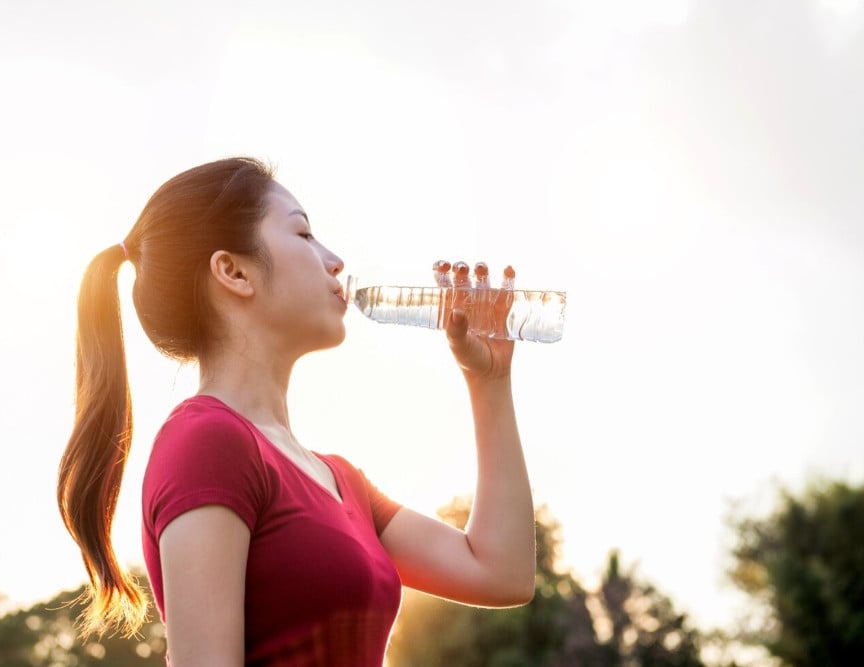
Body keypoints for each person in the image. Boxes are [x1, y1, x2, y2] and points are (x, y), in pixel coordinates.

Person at [57, 157, 536, 666]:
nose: (335, 261)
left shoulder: (343, 481)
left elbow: (500, 573)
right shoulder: (207, 441)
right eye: (304, 234)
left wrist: (489, 381)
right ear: (234, 272)